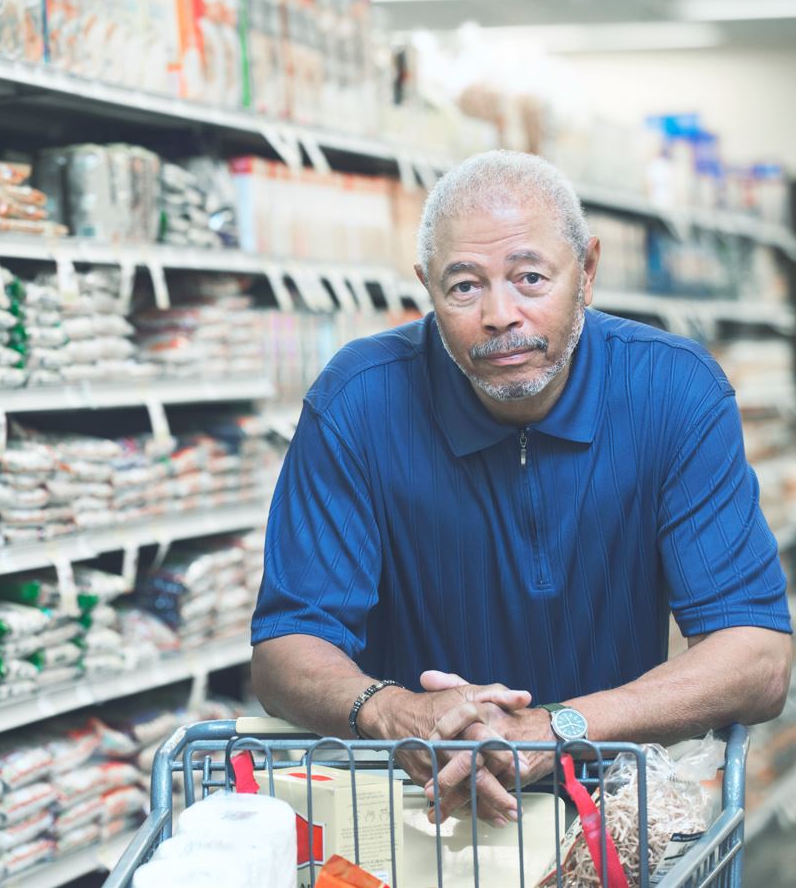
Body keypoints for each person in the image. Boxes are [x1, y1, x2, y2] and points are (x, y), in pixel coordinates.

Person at [249, 150, 793, 825]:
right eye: (464, 286)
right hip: (423, 819)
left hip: (609, 821)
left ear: (587, 272)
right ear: (427, 287)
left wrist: (557, 727)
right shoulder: (358, 401)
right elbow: (283, 650)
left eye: (530, 277)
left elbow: (759, 656)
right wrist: (395, 711)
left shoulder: (674, 392)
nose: (499, 313)